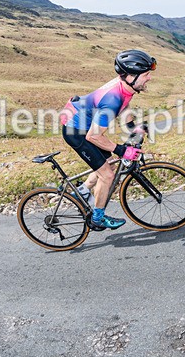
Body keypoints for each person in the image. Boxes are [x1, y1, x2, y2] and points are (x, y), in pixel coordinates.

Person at [60, 49, 156, 230]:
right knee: (108, 175)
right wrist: (122, 150)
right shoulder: (112, 98)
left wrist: (133, 128)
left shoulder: (125, 88)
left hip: (82, 123)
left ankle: (82, 190)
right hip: (76, 131)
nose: (149, 78)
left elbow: (124, 107)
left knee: (108, 163)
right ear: (131, 76)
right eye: (146, 74)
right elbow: (94, 136)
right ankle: (97, 218)